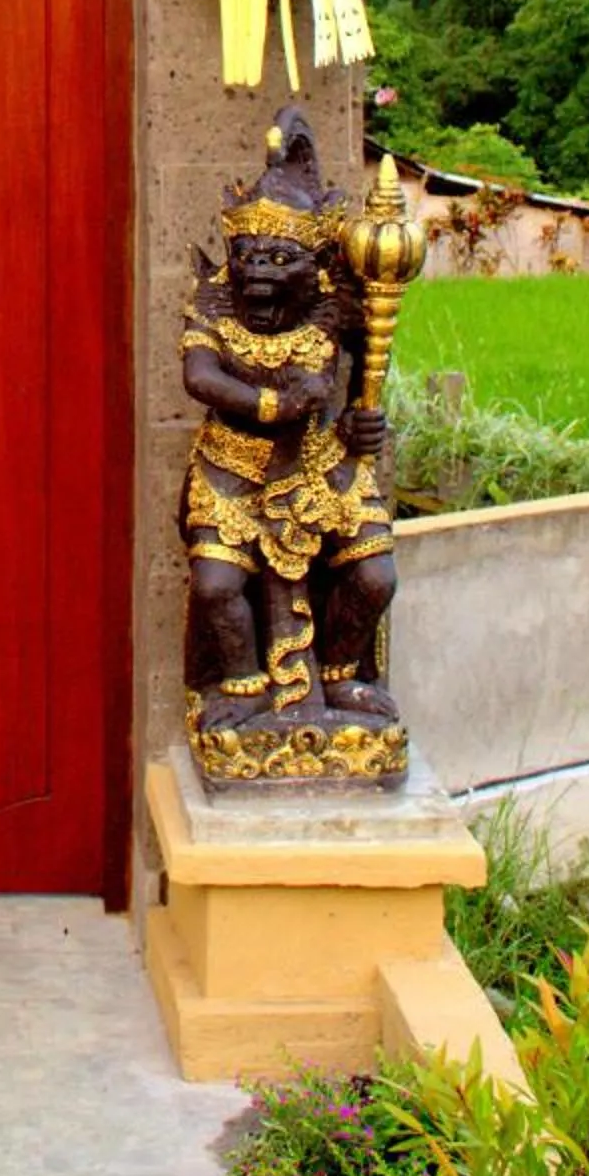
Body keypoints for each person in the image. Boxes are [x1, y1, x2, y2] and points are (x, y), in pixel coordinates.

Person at [179, 109, 402, 780]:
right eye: (249, 260)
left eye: (280, 261)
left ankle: (337, 675)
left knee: (372, 574)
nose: (259, 277)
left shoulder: (334, 317)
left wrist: (365, 424)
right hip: (234, 472)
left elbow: (363, 390)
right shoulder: (213, 311)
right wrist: (275, 403)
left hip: (320, 467)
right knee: (217, 586)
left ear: (314, 267)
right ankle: (244, 687)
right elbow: (200, 378)